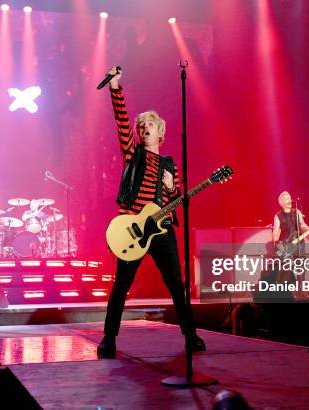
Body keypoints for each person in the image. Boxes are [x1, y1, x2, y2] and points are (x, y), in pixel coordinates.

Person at [97, 67, 205, 358]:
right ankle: (109, 338)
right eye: (142, 126)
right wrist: (116, 88)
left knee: (176, 283)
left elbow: (174, 201)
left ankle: (190, 335)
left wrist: (172, 189)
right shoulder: (133, 154)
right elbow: (121, 122)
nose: (145, 129)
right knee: (121, 284)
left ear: (161, 132)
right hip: (131, 226)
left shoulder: (171, 165)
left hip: (162, 229)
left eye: (150, 126)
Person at [271, 191, 309, 285]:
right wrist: (276, 241)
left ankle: (301, 292)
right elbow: (275, 232)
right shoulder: (278, 216)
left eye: (290, 198)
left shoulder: (297, 212)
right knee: (287, 269)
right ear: (281, 203)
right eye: (287, 199)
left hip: (299, 244)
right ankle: (284, 292)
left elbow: (302, 225)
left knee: (301, 268)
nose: (289, 200)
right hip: (287, 245)